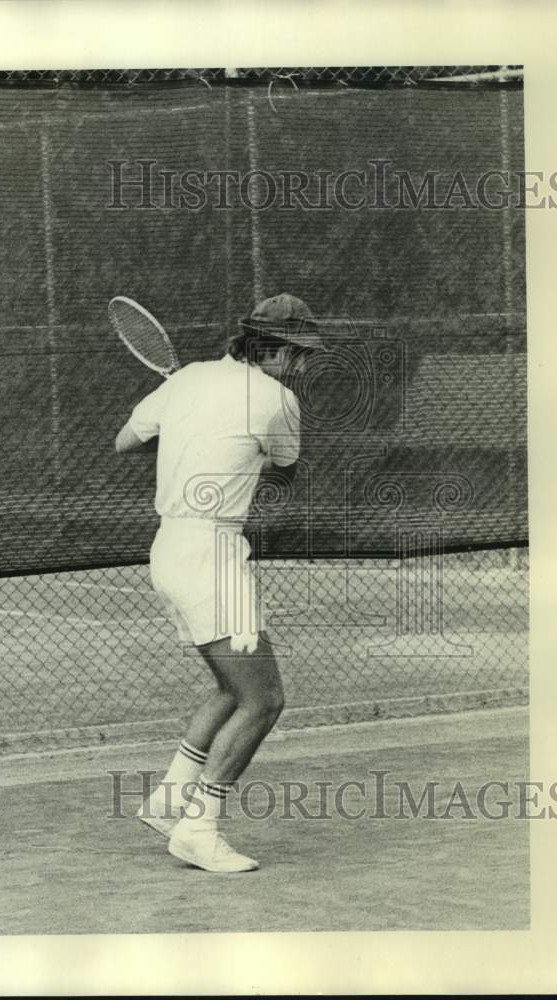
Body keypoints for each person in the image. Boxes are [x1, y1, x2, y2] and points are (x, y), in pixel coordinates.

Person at [114, 293, 324, 872]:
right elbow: (284, 466)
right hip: (213, 555)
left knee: (232, 689)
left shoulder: (188, 381)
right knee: (264, 699)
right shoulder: (277, 401)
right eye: (299, 355)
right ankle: (198, 829)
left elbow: (125, 441)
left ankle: (170, 801)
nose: (303, 367)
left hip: (170, 551)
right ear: (273, 350)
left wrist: (184, 418)